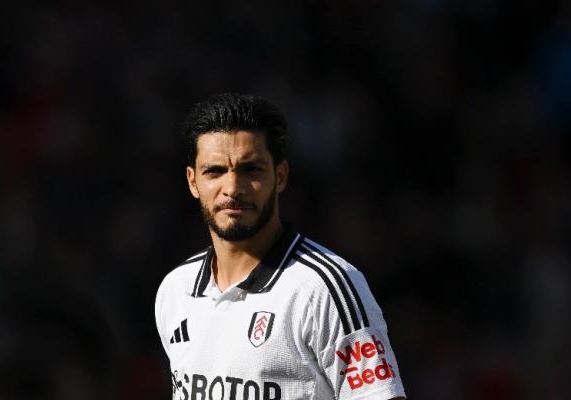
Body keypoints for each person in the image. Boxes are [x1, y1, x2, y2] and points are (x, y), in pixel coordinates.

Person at [155, 93, 406, 400]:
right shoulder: (175, 291)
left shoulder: (326, 288)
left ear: (281, 176)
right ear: (193, 182)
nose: (233, 188)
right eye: (215, 171)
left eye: (252, 170)